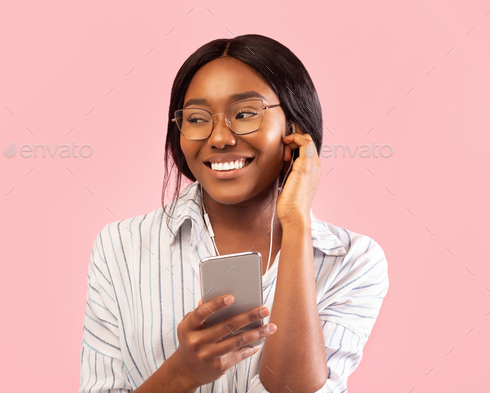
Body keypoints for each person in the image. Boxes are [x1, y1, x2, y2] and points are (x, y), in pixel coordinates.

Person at [78, 34, 389, 393]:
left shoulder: (353, 261)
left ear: (294, 129)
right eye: (196, 118)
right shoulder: (120, 247)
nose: (220, 138)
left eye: (244, 114)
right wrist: (181, 373)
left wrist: (297, 223)